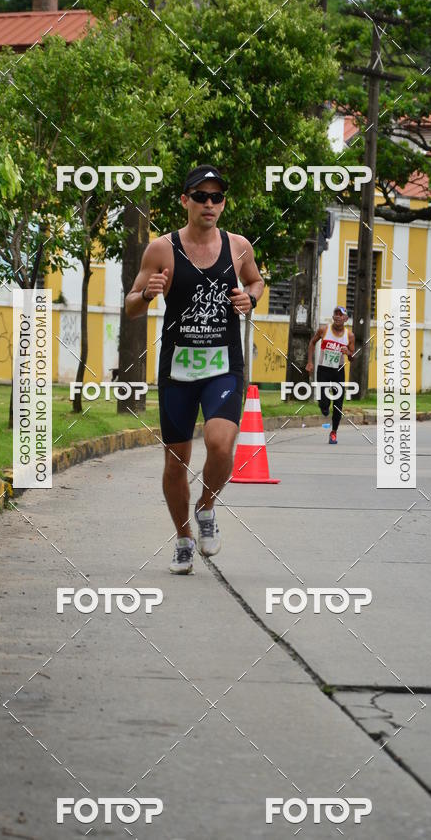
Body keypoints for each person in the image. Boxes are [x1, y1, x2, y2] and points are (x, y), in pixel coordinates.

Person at [125, 165, 264, 575]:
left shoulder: (238, 247)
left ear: (223, 203)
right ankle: (184, 538)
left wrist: (251, 299)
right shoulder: (161, 249)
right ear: (185, 200)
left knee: (221, 444)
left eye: (216, 197)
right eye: (200, 196)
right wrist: (146, 294)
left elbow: (256, 282)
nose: (209, 203)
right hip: (178, 370)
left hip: (223, 365)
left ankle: (206, 506)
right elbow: (131, 305)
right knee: (176, 462)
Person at [305, 306, 355, 445]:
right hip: (323, 369)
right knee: (324, 402)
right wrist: (310, 362)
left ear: (346, 318)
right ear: (333, 317)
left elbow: (353, 356)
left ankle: (333, 432)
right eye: (336, 314)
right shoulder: (324, 330)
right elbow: (312, 343)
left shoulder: (349, 335)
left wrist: (348, 353)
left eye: (341, 314)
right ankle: (324, 407)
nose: (338, 316)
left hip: (339, 371)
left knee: (338, 404)